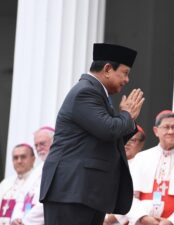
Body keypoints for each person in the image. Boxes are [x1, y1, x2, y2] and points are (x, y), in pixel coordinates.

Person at [39, 43, 145, 225]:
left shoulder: (97, 93)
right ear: (107, 69)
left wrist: (126, 119)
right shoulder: (86, 91)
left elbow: (110, 138)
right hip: (72, 192)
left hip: (86, 192)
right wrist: (127, 115)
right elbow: (109, 130)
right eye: (125, 73)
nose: (127, 80)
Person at [11, 126, 55, 225]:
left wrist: (25, 222)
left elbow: (46, 202)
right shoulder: (37, 170)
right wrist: (16, 218)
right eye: (36, 145)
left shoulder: (60, 167)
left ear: (54, 141)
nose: (39, 148)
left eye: (42, 144)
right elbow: (21, 198)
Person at [103, 125, 146, 225]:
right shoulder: (108, 164)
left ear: (141, 145)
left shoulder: (144, 166)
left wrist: (110, 218)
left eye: (133, 140)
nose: (126, 143)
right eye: (124, 139)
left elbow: (138, 198)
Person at [0, 144, 35, 224]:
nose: (19, 161)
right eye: (15, 158)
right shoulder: (5, 183)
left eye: (23, 157)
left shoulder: (38, 181)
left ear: (33, 159)